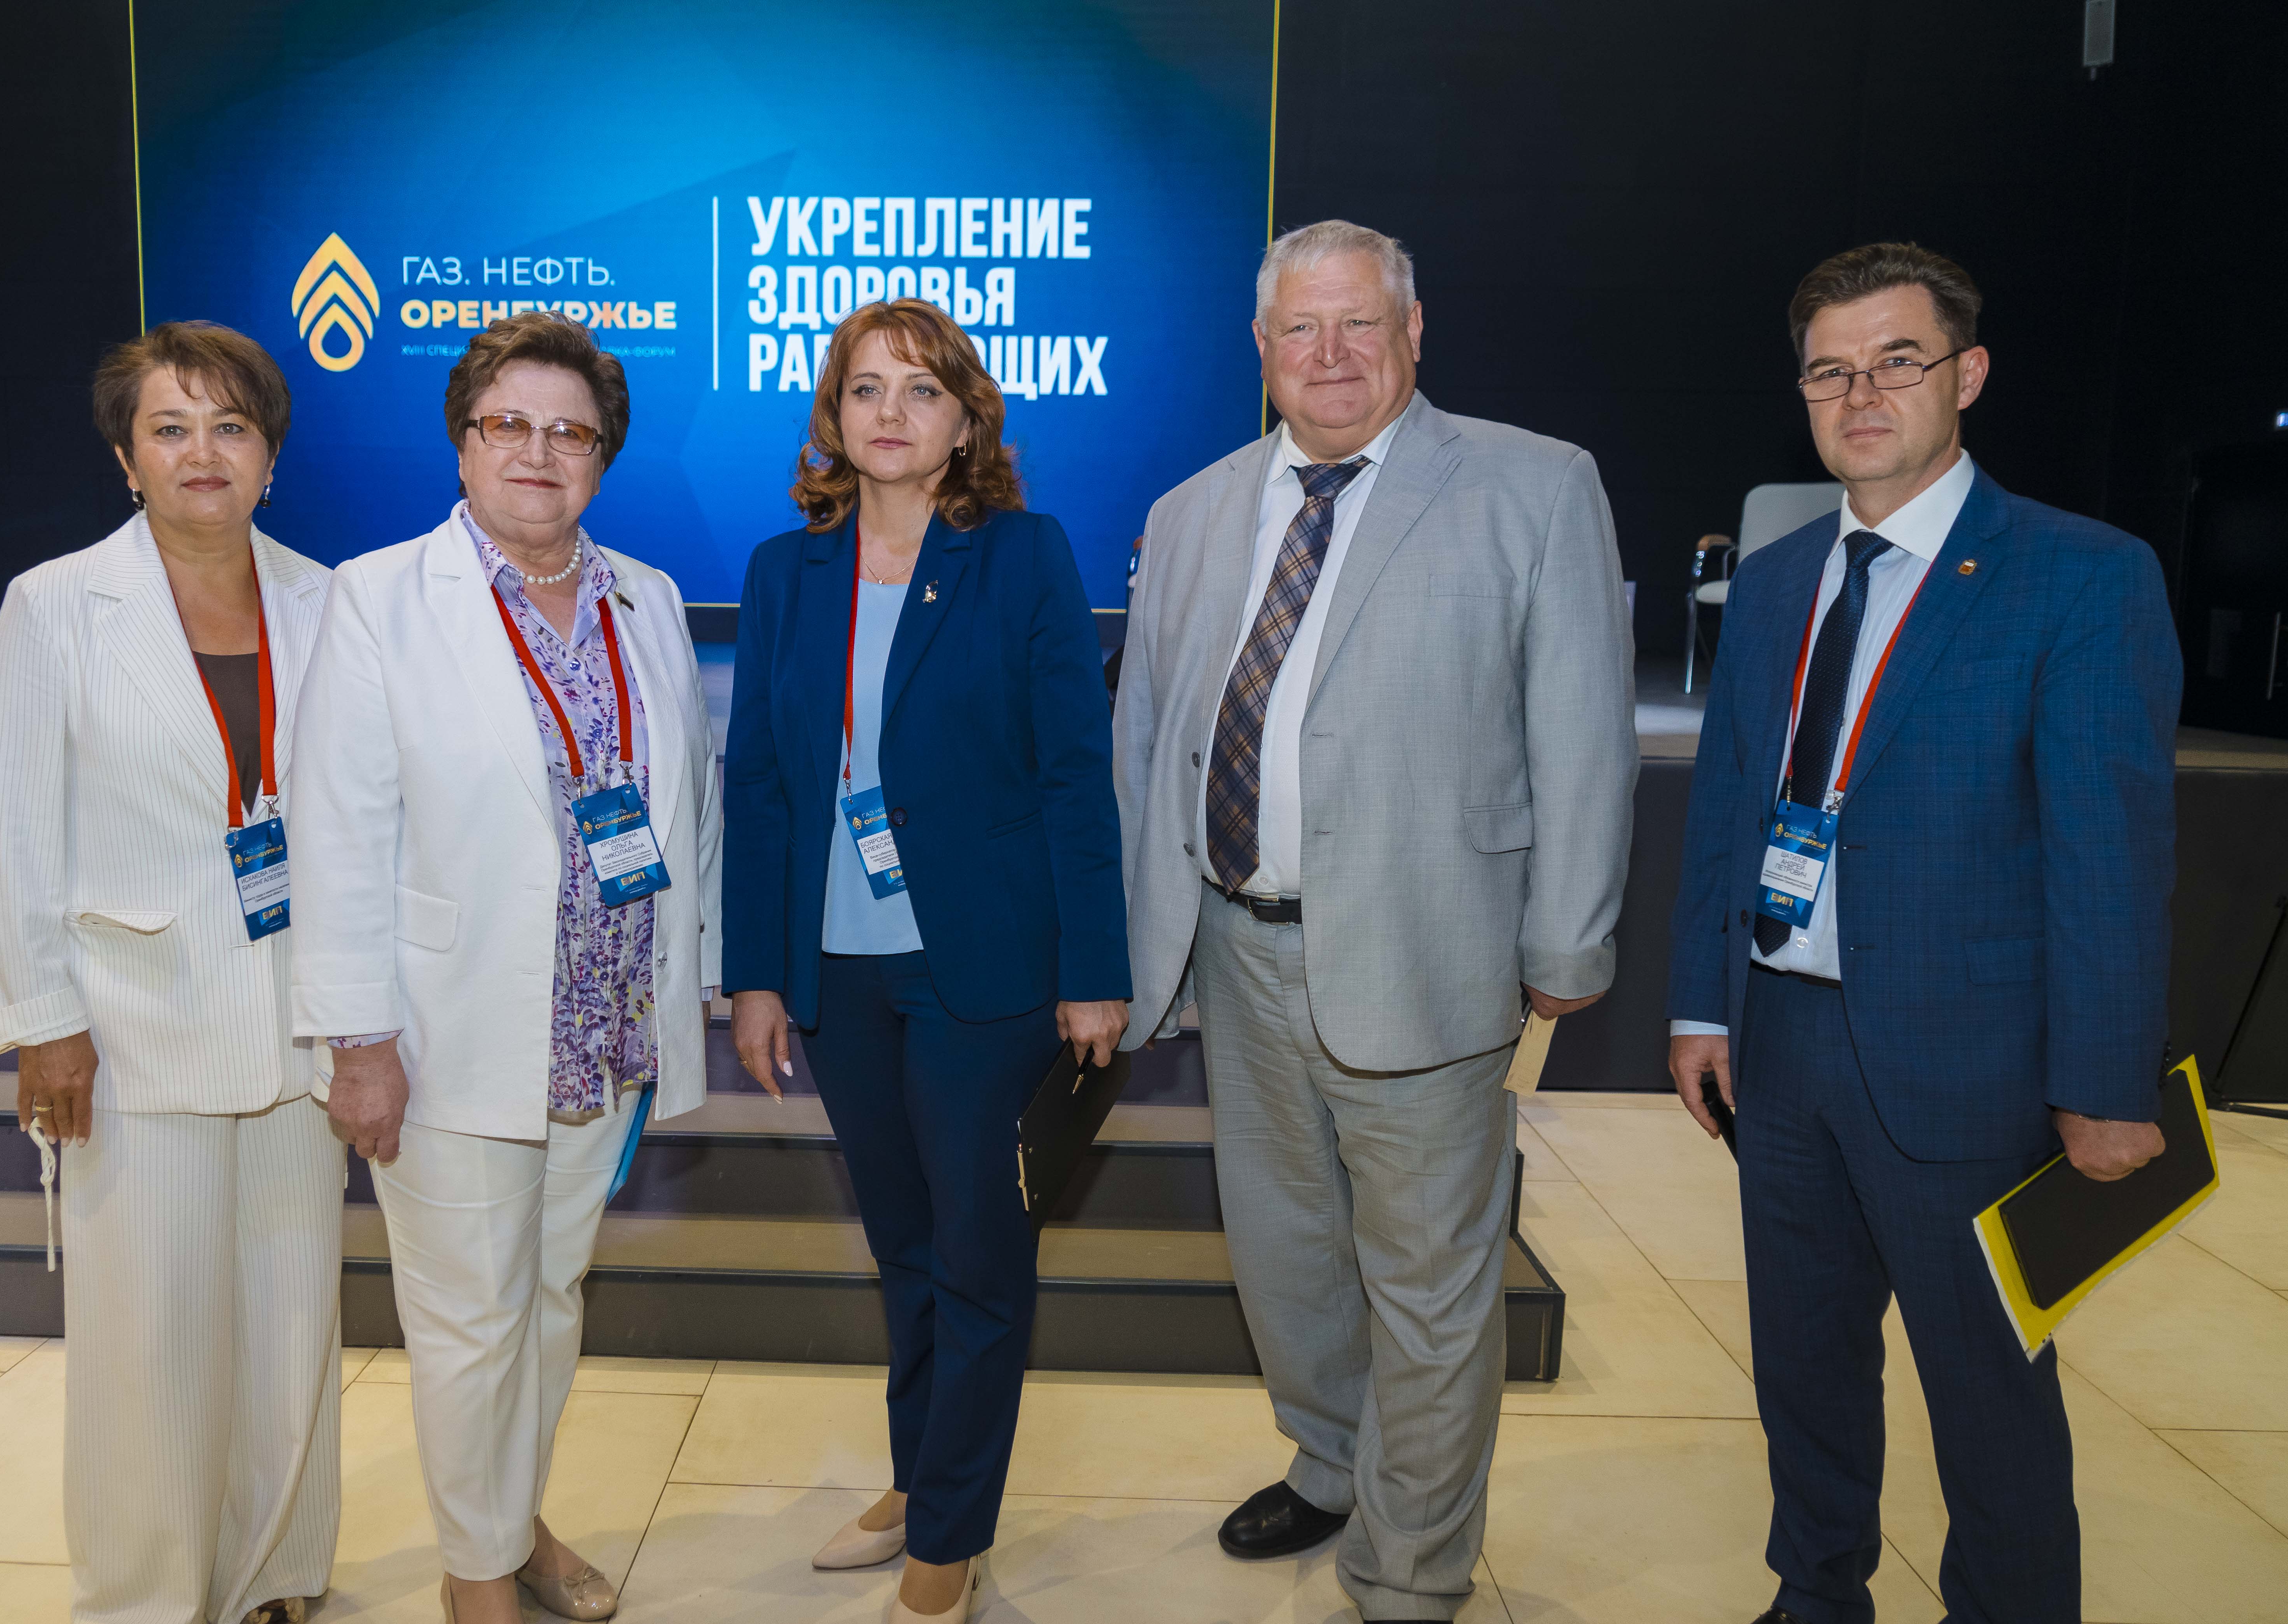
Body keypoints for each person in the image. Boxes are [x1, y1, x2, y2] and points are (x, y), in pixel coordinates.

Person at [1113, 220, 1636, 1624]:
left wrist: (1568, 944)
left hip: (1428, 949)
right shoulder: (1192, 510)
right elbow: (1148, 738)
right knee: (1286, 1253)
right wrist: (1141, 939)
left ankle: (1410, 1565)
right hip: (1238, 947)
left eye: (1360, 324)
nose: (1331, 354)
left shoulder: (1534, 486)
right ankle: (1331, 1458)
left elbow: (1585, 733)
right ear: (1262, 348)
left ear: (1415, 332)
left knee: (1430, 1284)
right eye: (1302, 328)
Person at [1667, 243, 2180, 1624]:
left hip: (1970, 1062)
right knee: (1804, 1369)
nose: (1862, 394)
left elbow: (2110, 853)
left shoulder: (2080, 576)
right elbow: (1730, 804)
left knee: (1988, 1395)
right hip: (1782, 1044)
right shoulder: (1778, 580)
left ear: (1970, 373)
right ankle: (1815, 1594)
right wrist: (1701, 1005)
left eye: (1898, 360)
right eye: (1830, 371)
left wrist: (2106, 1082)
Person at [288, 312, 722, 1624]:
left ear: (603, 456)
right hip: (449, 1031)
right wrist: (359, 1037)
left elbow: (687, 807)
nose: (540, 451)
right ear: (464, 439)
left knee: (547, 1298)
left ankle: (513, 1521)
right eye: (510, 424)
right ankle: (476, 1576)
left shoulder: (646, 596)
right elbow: (338, 830)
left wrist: (693, 981)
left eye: (570, 432)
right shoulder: (377, 596)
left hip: (606, 1028)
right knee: (470, 1318)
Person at [721, 297, 1131, 1624]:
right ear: (833, 415)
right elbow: (761, 782)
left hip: (986, 969)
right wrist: (757, 973)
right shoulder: (787, 570)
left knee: (978, 1256)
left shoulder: (1022, 555)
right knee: (902, 1243)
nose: (889, 412)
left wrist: (1096, 966)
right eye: (864, 388)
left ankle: (950, 1530)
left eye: (920, 390)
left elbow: (1075, 773)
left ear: (966, 422)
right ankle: (919, 1475)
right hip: (837, 967)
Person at [0, 320, 340, 1624]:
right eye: (170, 428)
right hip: (130, 1028)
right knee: (149, 1347)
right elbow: (4, 826)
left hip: (299, 1021)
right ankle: (145, 1597)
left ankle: (273, 1571)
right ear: (127, 459)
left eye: (231, 426)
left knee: (289, 1329)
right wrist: (41, 1020)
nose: (201, 452)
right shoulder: (56, 605)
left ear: (272, 456)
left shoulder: (329, 600)